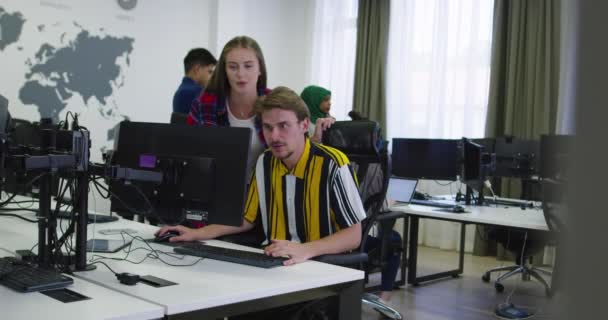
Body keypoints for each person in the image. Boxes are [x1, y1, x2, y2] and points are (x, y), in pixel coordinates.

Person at [158, 86, 366, 319]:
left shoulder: (333, 164)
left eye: (283, 126)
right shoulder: (265, 161)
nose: (274, 136)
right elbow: (247, 219)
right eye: (268, 127)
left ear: (304, 125)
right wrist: (197, 234)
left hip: (318, 273)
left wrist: (305, 250)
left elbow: (354, 235)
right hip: (272, 269)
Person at [187, 36, 270, 172]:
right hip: (217, 187)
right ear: (224, 71)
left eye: (248, 66)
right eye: (232, 67)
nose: (240, 74)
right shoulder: (203, 105)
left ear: (260, 68)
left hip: (265, 189)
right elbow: (188, 153)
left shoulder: (276, 103)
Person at [172, 48, 217, 114]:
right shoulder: (197, 92)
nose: (212, 77)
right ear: (197, 69)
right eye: (210, 72)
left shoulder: (180, 92)